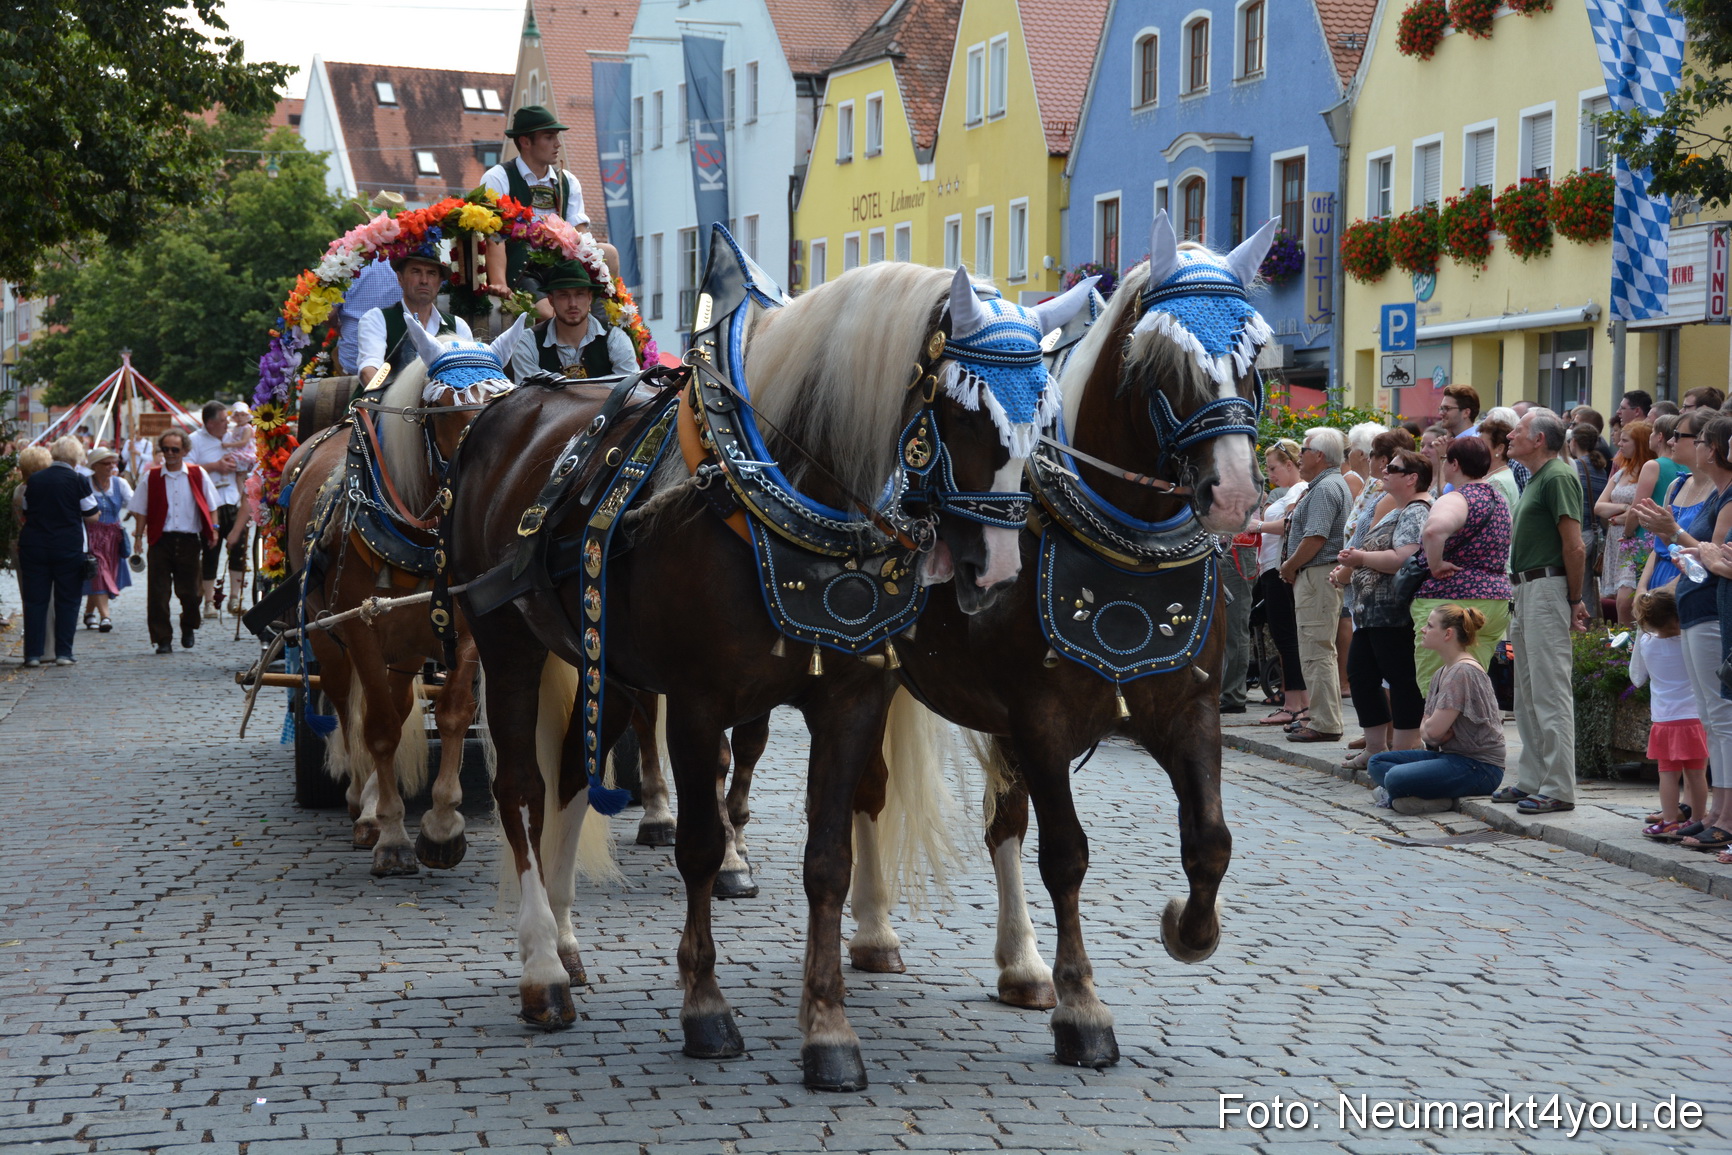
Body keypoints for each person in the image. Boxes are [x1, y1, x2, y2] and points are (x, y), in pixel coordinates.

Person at [1638, 413, 1732, 850]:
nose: (1679, 444)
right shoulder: (1702, 490)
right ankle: (1712, 809)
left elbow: (1717, 558)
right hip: (1692, 605)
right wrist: (1680, 549)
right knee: (1713, 719)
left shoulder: (1724, 496)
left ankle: (1724, 814)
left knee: (1720, 716)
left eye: (1688, 438)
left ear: (1710, 449)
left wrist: (1674, 533)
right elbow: (1706, 556)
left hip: (1710, 610)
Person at [1494, 409, 1588, 816]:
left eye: (1519, 429)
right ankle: (1533, 778)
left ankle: (1558, 786)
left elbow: (1575, 545)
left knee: (1549, 691)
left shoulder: (1558, 476)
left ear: (1539, 440)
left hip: (1547, 587)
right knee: (1528, 692)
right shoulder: (1536, 477)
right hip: (1527, 588)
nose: (1511, 434)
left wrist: (1573, 598)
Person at [1336, 448, 1433, 769]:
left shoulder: (1417, 509)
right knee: (1361, 675)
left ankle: (1405, 749)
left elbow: (1405, 556)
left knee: (1400, 679)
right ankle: (1375, 748)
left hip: (1394, 613)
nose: (1385, 470)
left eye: (1393, 467)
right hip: (1373, 613)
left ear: (1412, 478)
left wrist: (1360, 559)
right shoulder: (1397, 508)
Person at [1367, 604, 1506, 815]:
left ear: (1448, 634)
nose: (1423, 629)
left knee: (1395, 777)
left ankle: (1422, 797)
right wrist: (1432, 730)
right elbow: (1430, 735)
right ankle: (1412, 794)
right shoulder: (1441, 672)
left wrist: (1432, 730)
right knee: (1377, 761)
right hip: (1450, 757)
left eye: (1430, 626)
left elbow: (1431, 732)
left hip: (1479, 767)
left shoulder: (1463, 672)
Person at [481, 104, 617, 315]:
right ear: (525, 141)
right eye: (549, 137)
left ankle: (602, 320)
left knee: (609, 252)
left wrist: (592, 263)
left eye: (557, 136)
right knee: (549, 316)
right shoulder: (498, 177)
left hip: (561, 266)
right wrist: (499, 282)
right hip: (522, 269)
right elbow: (494, 236)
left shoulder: (567, 181)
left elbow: (581, 235)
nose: (557, 144)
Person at [1413, 435, 1512, 687]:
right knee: (1471, 685)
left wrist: (1435, 565)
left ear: (1454, 464)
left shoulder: (1458, 498)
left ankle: (1443, 727)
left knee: (1440, 689)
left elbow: (1433, 531)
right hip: (1494, 602)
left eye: (1446, 460)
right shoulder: (1499, 500)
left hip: (1451, 601)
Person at [1279, 426, 1352, 743]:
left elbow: (1316, 537)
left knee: (1316, 650)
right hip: (1321, 574)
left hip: (1318, 575)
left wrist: (1289, 565)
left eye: (1304, 450)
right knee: (1319, 648)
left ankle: (1324, 722)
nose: (1299, 456)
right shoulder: (1328, 483)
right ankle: (1323, 718)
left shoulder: (1324, 488)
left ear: (1319, 456)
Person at [126, 428, 220, 655]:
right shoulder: (152, 476)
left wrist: (214, 530)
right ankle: (162, 639)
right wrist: (139, 537)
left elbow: (212, 505)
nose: (169, 453)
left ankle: (188, 626)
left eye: (175, 449)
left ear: (185, 450)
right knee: (158, 594)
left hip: (189, 541)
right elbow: (141, 510)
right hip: (160, 540)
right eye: (165, 449)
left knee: (192, 593)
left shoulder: (197, 474)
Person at [1628, 589, 1708, 840]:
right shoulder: (1690, 641)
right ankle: (1697, 819)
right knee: (1696, 774)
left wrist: (1643, 627)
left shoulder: (1647, 642)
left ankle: (1670, 820)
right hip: (1695, 718)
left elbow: (1637, 678)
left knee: (1667, 775)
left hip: (1664, 720)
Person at [17, 436, 99, 666]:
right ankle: (64, 653)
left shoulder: (36, 479)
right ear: (76, 457)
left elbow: (26, 509)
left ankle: (32, 654)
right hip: (67, 546)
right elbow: (91, 514)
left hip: (34, 545)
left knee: (35, 601)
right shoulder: (78, 480)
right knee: (68, 600)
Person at [356, 248, 474, 389]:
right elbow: (368, 370)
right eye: (416, 271)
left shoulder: (458, 326)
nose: (424, 281)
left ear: (439, 282)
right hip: (384, 407)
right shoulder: (377, 319)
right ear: (400, 278)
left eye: (431, 273)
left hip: (442, 409)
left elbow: (469, 374)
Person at [1252, 440, 1309, 727]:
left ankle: (1296, 705)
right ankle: (1295, 703)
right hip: (1271, 569)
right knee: (1285, 637)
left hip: (1278, 570)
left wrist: (1257, 526)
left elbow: (1290, 523)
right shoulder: (1289, 492)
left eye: (1273, 467)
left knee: (1287, 638)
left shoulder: (1298, 489)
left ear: (1289, 465)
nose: (1270, 473)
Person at [509, 258, 639, 382]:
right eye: (564, 295)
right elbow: (530, 397)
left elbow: (630, 392)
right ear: (551, 300)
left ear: (589, 298)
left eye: (579, 294)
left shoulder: (616, 339)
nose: (572, 303)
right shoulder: (528, 342)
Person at [333, 192, 408, 375]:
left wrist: (338, 327)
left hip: (354, 362)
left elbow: (328, 314)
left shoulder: (346, 254)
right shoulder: (411, 257)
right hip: (405, 364)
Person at [1637, 413, 1709, 596]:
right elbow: (1659, 547)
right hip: (1659, 581)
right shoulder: (1677, 485)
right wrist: (1641, 589)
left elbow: (1711, 554)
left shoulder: (1719, 492)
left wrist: (1665, 593)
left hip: (1688, 588)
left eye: (1677, 435)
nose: (1670, 442)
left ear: (1702, 440)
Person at [1593, 419, 1654, 625]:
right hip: (1615, 537)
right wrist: (1626, 508)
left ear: (1640, 444)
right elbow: (1599, 506)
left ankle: (1626, 648)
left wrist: (1623, 515)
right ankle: (1623, 649)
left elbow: (1644, 508)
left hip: (1633, 538)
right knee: (1618, 599)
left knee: (1626, 601)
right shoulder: (1621, 473)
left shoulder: (1650, 471)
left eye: (1625, 440)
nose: (1619, 443)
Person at [187, 401, 243, 619]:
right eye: (222, 420)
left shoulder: (232, 437)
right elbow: (188, 470)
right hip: (210, 504)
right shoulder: (194, 441)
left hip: (234, 499)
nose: (226, 423)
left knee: (238, 549)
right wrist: (214, 467)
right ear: (209, 423)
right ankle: (209, 601)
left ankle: (235, 598)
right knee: (211, 551)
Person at [80, 448, 132, 633]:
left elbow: (133, 504)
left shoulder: (120, 484)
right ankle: (105, 617)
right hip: (91, 536)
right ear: (94, 466)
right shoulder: (85, 483)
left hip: (113, 537)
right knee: (100, 572)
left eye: (114, 462)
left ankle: (89, 614)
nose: (112, 466)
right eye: (106, 463)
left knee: (100, 575)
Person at [220, 402, 258, 614]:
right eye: (238, 416)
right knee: (238, 477)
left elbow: (244, 442)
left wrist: (227, 447)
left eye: (244, 415)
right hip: (239, 459)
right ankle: (239, 492)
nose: (241, 419)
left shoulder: (247, 430)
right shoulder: (233, 430)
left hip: (246, 455)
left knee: (242, 475)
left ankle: (243, 493)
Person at [1475, 417, 1521, 512]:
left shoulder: (1496, 482)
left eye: (1482, 445)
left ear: (1499, 449)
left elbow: (1498, 522)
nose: (1477, 449)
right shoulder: (1501, 474)